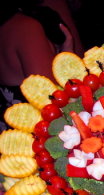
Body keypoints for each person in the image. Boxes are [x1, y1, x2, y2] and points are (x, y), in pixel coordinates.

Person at [0, 0, 82, 131]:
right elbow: (53, 101)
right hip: (41, 135)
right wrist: (68, 56)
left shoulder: (8, 26)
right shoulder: (25, 28)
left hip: (16, 135)